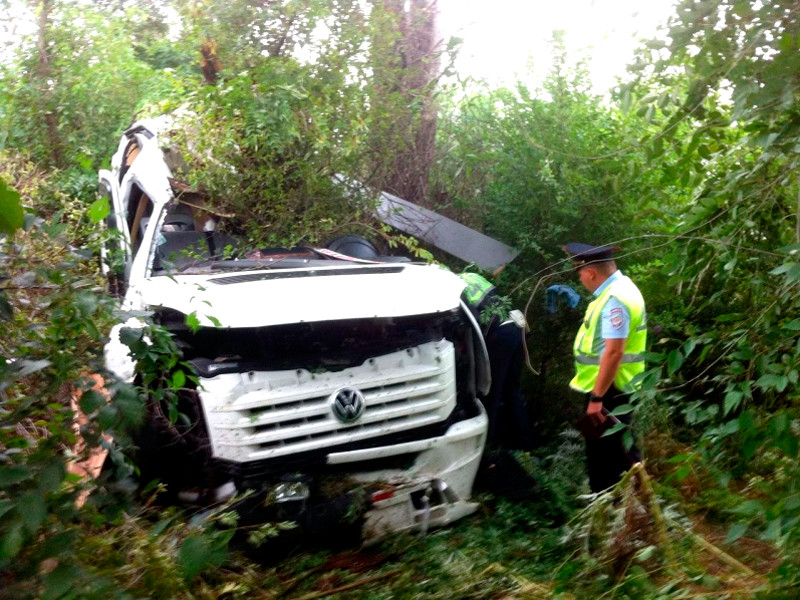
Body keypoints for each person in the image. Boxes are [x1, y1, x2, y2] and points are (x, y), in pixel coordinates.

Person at [565, 242, 645, 493]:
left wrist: (597, 399)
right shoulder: (624, 289)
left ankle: (613, 512)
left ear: (590, 273)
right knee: (622, 452)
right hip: (617, 386)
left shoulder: (614, 301)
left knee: (606, 460)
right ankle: (634, 510)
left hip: (609, 389)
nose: (580, 279)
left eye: (579, 273)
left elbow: (614, 352)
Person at [459, 272, 533, 449]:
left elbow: (472, 323)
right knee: (511, 389)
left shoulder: (451, 287)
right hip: (517, 325)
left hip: (501, 335)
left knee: (490, 392)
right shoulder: (471, 276)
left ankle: (486, 446)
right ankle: (526, 442)